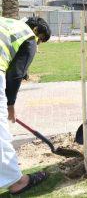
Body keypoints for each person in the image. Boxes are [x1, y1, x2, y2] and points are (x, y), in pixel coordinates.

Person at [0, 16, 51, 195]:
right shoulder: (29, 36)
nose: (38, 44)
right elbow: (15, 74)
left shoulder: (8, 23)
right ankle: (17, 182)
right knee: (1, 133)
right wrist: (10, 105)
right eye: (41, 40)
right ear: (37, 31)